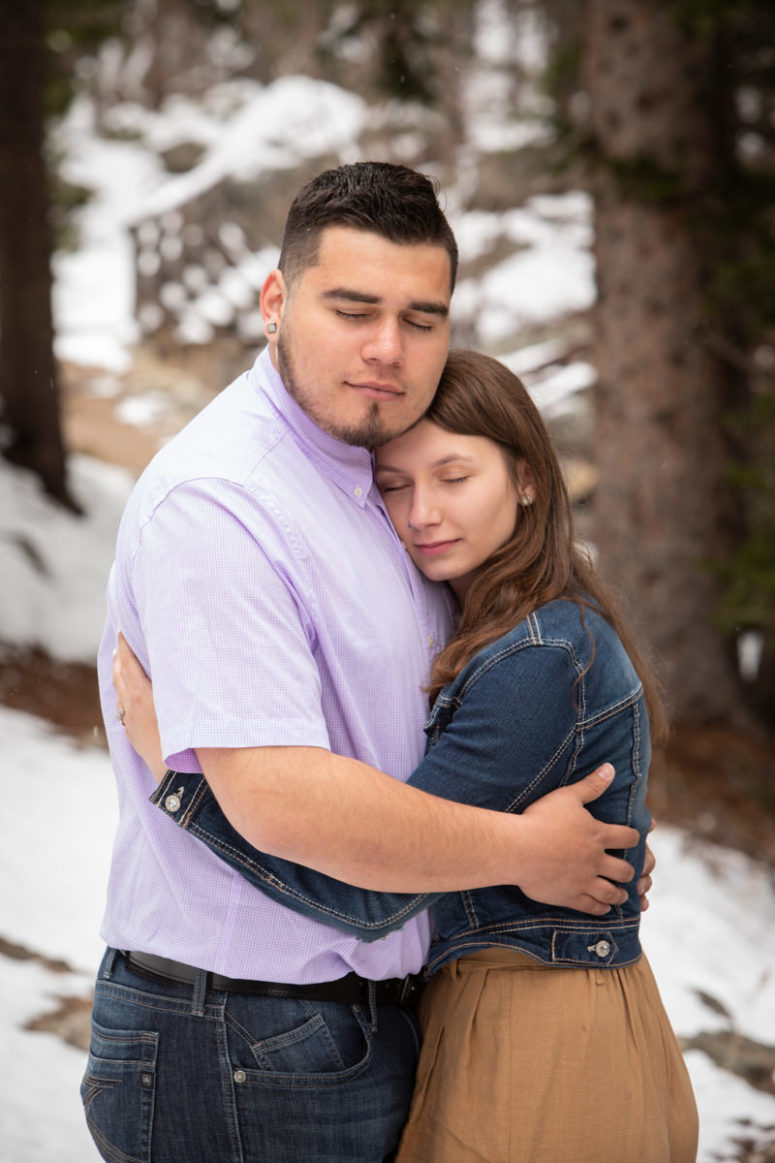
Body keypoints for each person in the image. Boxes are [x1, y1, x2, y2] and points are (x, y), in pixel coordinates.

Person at [87, 162, 646, 1163]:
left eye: (420, 317)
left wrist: (567, 853)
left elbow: (417, 767)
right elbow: (287, 807)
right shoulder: (225, 500)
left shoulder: (376, 481)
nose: (387, 349)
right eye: (352, 308)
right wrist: (525, 853)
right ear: (275, 299)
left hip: (354, 1022)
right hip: (241, 1032)